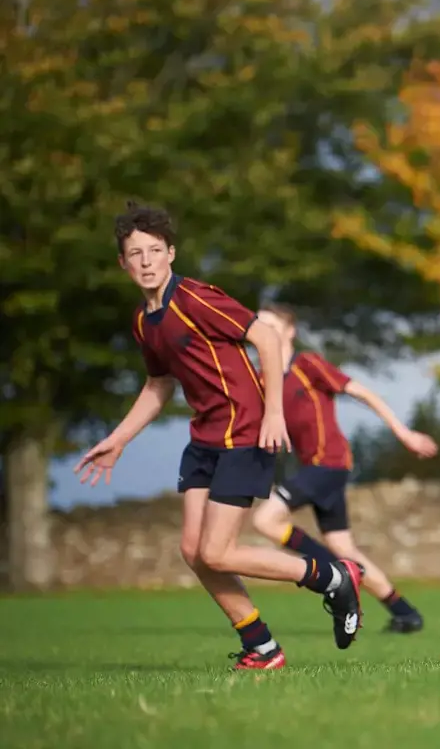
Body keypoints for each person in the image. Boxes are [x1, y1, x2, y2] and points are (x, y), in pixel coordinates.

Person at [74, 202, 364, 670]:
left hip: (246, 432)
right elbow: (158, 384)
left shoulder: (196, 299)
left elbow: (265, 338)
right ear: (122, 264)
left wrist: (274, 414)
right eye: (135, 253)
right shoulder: (143, 322)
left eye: (154, 250)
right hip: (205, 437)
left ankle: (333, 576)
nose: (146, 261)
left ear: (171, 253)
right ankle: (262, 647)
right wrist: (120, 439)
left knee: (218, 551)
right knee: (194, 551)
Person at [249, 304, 438, 634]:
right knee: (344, 547)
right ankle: (404, 613)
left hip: (329, 464)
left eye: (272, 326)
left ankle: (335, 575)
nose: (265, 332)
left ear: (290, 330)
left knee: (265, 519)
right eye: (259, 327)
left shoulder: (306, 364)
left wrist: (403, 432)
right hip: (316, 468)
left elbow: (362, 393)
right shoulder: (264, 378)